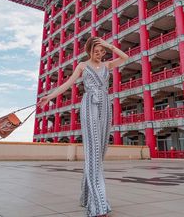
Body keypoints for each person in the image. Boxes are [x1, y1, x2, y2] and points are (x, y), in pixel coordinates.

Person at [38, 36, 129, 217]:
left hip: (105, 106)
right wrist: (50, 96)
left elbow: (125, 58)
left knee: (100, 152)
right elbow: (67, 84)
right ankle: (99, 205)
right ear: (89, 51)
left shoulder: (107, 65)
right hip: (89, 106)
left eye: (102, 52)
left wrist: (109, 45)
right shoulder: (82, 66)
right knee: (93, 151)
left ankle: (86, 196)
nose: (100, 54)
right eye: (96, 51)